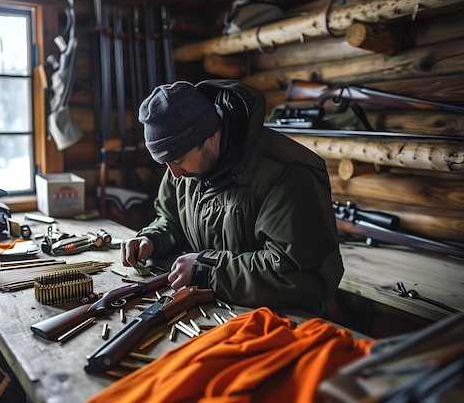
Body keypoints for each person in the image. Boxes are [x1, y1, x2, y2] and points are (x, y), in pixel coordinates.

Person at [121, 79, 344, 315]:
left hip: (283, 320)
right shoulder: (184, 169)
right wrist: (152, 239)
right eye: (164, 164)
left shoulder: (287, 171)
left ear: (211, 136)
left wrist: (208, 270)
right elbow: (173, 220)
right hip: (218, 307)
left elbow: (300, 275)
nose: (174, 174)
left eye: (177, 161)